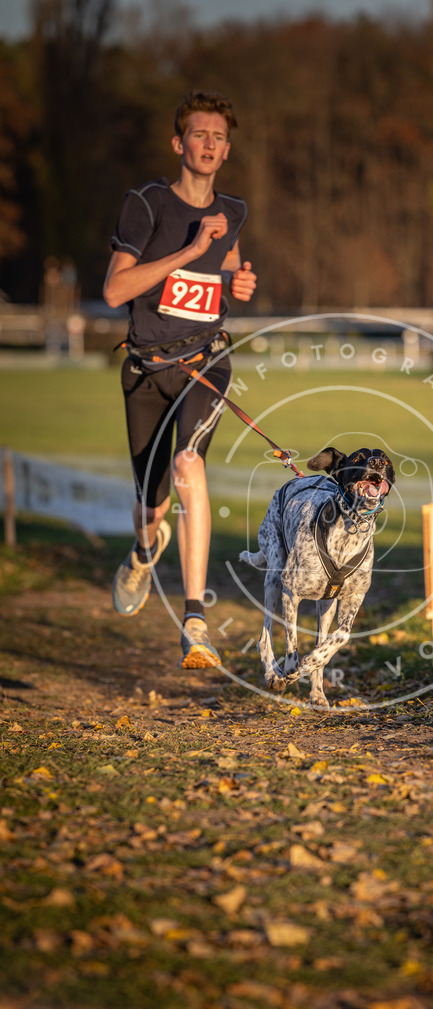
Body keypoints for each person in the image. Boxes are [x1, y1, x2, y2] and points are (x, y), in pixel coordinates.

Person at [103, 90, 257, 669]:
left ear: (226, 148)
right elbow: (117, 290)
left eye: (219, 136)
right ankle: (145, 551)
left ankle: (195, 620)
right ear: (179, 143)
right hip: (146, 369)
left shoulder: (233, 210)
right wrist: (191, 248)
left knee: (190, 464)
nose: (210, 144)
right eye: (200, 134)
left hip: (205, 363)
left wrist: (238, 283)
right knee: (152, 505)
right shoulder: (146, 204)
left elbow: (226, 270)